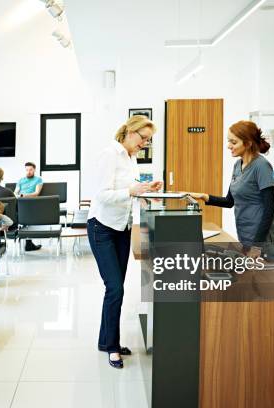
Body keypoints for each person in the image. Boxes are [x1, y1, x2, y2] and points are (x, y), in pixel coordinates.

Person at [87, 115, 163, 369]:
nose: (145, 144)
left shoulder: (131, 158)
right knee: (115, 288)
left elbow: (130, 189)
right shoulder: (110, 154)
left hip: (122, 227)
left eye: (148, 141)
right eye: (144, 138)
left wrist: (146, 188)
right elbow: (101, 195)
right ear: (130, 132)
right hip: (102, 227)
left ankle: (104, 340)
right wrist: (132, 191)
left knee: (115, 288)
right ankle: (112, 347)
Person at [188, 120, 274, 261]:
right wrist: (203, 196)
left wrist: (257, 246)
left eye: (233, 142)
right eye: (228, 141)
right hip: (245, 233)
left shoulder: (261, 166)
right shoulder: (238, 165)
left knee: (264, 279)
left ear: (248, 143)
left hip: (262, 239)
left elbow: (270, 208)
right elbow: (229, 201)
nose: (228, 146)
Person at [14, 162, 43, 251]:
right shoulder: (21, 180)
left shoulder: (38, 180)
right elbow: (16, 192)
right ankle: (27, 242)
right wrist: (17, 195)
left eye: (30, 170)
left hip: (31, 202)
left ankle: (28, 242)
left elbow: (36, 193)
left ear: (34, 170)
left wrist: (23, 196)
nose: (28, 172)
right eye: (27, 170)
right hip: (20, 202)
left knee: (26, 214)